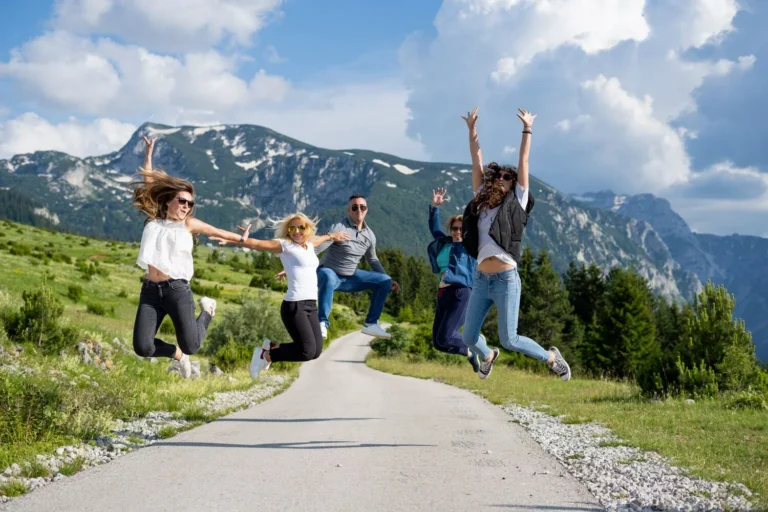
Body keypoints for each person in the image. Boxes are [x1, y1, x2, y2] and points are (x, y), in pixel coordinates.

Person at [459, 107, 571, 381]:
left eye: (507, 178)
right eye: (498, 176)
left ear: (513, 184)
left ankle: (552, 358)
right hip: (482, 279)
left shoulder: (517, 202)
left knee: (509, 338)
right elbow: (477, 161)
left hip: (506, 279)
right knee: (469, 337)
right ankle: (487, 355)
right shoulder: (481, 202)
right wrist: (472, 130)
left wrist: (527, 129)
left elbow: (524, 162)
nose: (501, 179)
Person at [131, 136, 250, 378]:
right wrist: (148, 153)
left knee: (192, 345)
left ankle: (207, 310)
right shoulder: (155, 219)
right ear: (168, 201)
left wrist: (241, 238)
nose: (186, 206)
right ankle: (177, 355)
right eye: (182, 201)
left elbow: (217, 231)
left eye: (190, 203)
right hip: (150, 291)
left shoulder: (188, 224)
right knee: (142, 347)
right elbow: (149, 183)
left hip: (177, 290)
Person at [211, 213, 350, 380]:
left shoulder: (309, 244)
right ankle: (266, 355)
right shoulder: (285, 245)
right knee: (306, 352)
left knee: (316, 352)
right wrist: (236, 240)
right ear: (288, 231)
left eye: (301, 227)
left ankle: (271, 347)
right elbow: (256, 243)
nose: (297, 231)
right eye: (292, 228)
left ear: (308, 228)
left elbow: (319, 239)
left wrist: (333, 236)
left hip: (311, 305)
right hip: (295, 306)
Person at [312, 195, 401, 339]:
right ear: (349, 210)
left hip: (351, 278)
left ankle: (371, 324)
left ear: (366, 210)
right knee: (328, 276)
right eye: (354, 207)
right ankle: (322, 323)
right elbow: (319, 247)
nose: (358, 210)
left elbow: (372, 259)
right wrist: (296, 264)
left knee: (384, 280)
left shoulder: (369, 235)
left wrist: (389, 280)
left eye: (362, 207)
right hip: (328, 273)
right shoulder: (339, 227)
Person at [427, 186, 481, 372]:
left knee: (447, 336)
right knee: (438, 342)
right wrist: (435, 207)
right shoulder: (445, 243)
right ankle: (470, 353)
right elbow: (434, 228)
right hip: (443, 293)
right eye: (454, 228)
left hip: (461, 292)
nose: (458, 231)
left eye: (461, 229)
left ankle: (478, 343)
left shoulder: (470, 247)